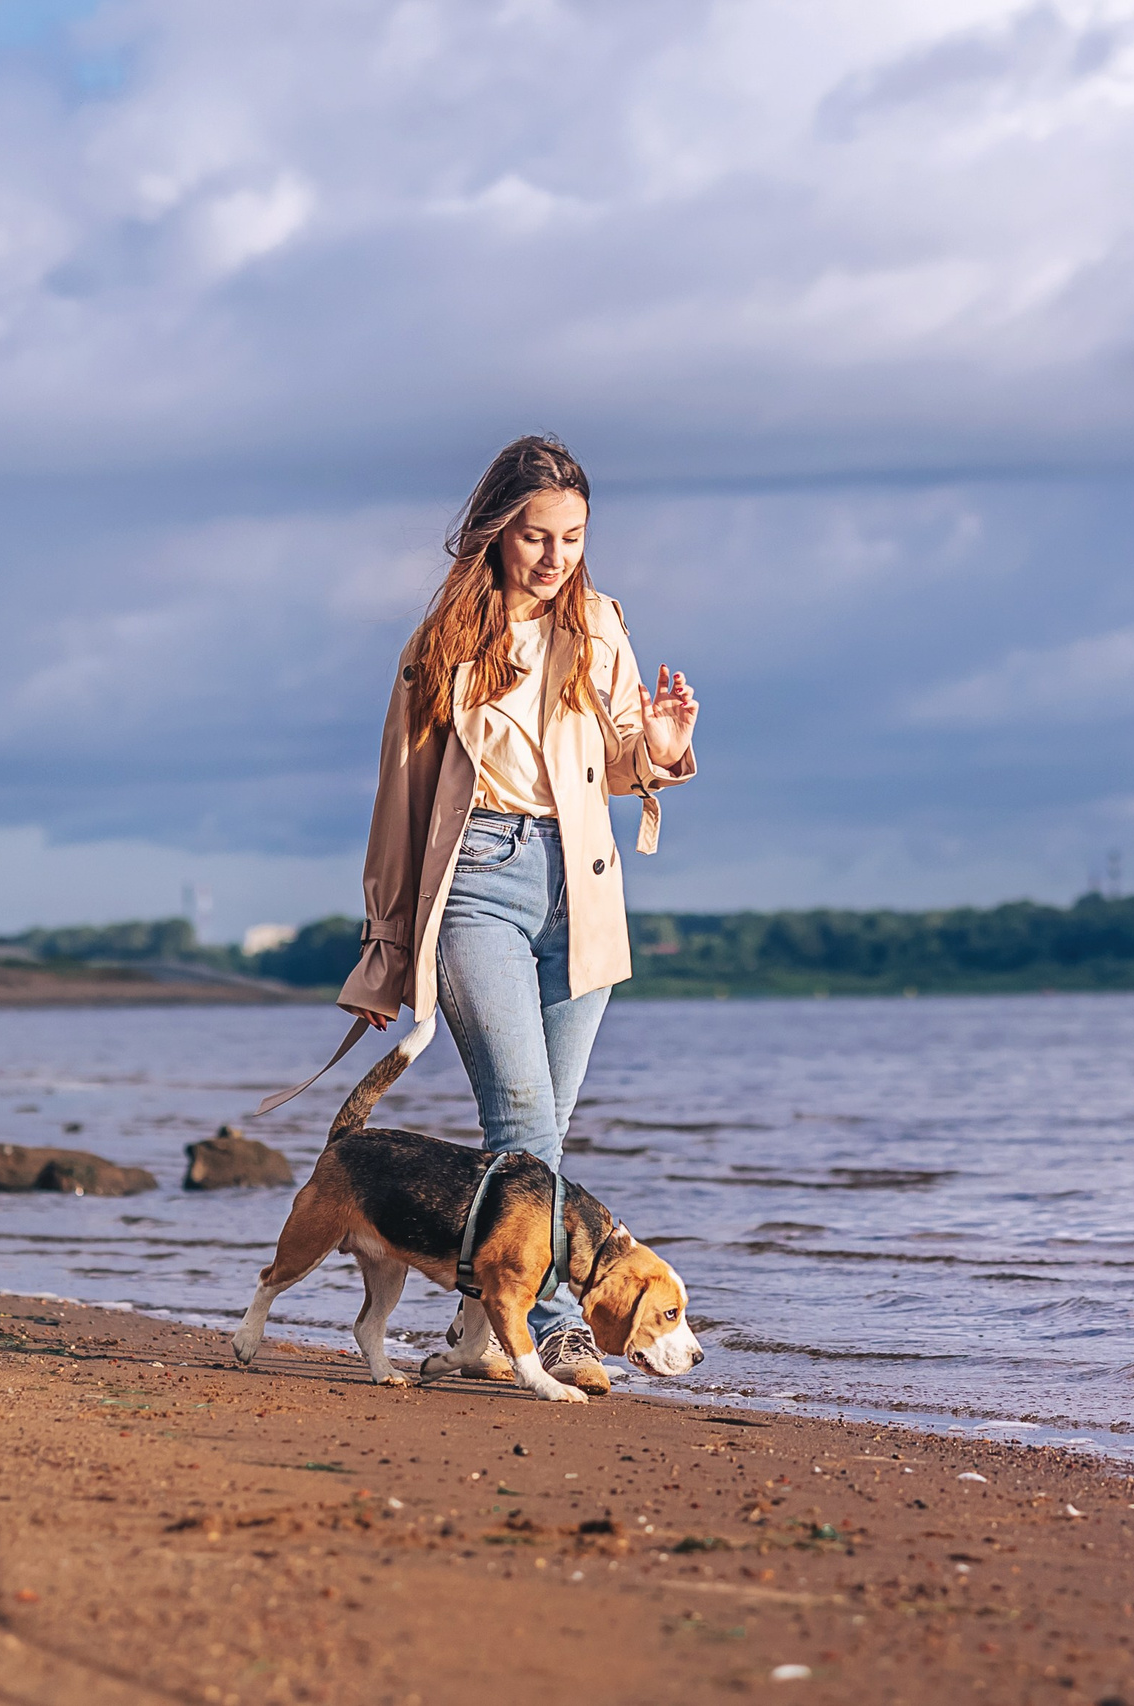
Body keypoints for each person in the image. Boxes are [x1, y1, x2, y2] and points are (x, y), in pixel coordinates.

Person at [336, 434, 698, 1393]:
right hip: (478, 885)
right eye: (536, 537)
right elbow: (399, 801)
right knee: (526, 1120)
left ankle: (477, 1326)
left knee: (543, 1134)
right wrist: (383, 948)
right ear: (496, 533)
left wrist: (658, 746)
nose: (555, 558)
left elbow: (621, 757)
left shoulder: (603, 626)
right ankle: (550, 1330)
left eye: (573, 538)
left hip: (582, 890)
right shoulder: (443, 644)